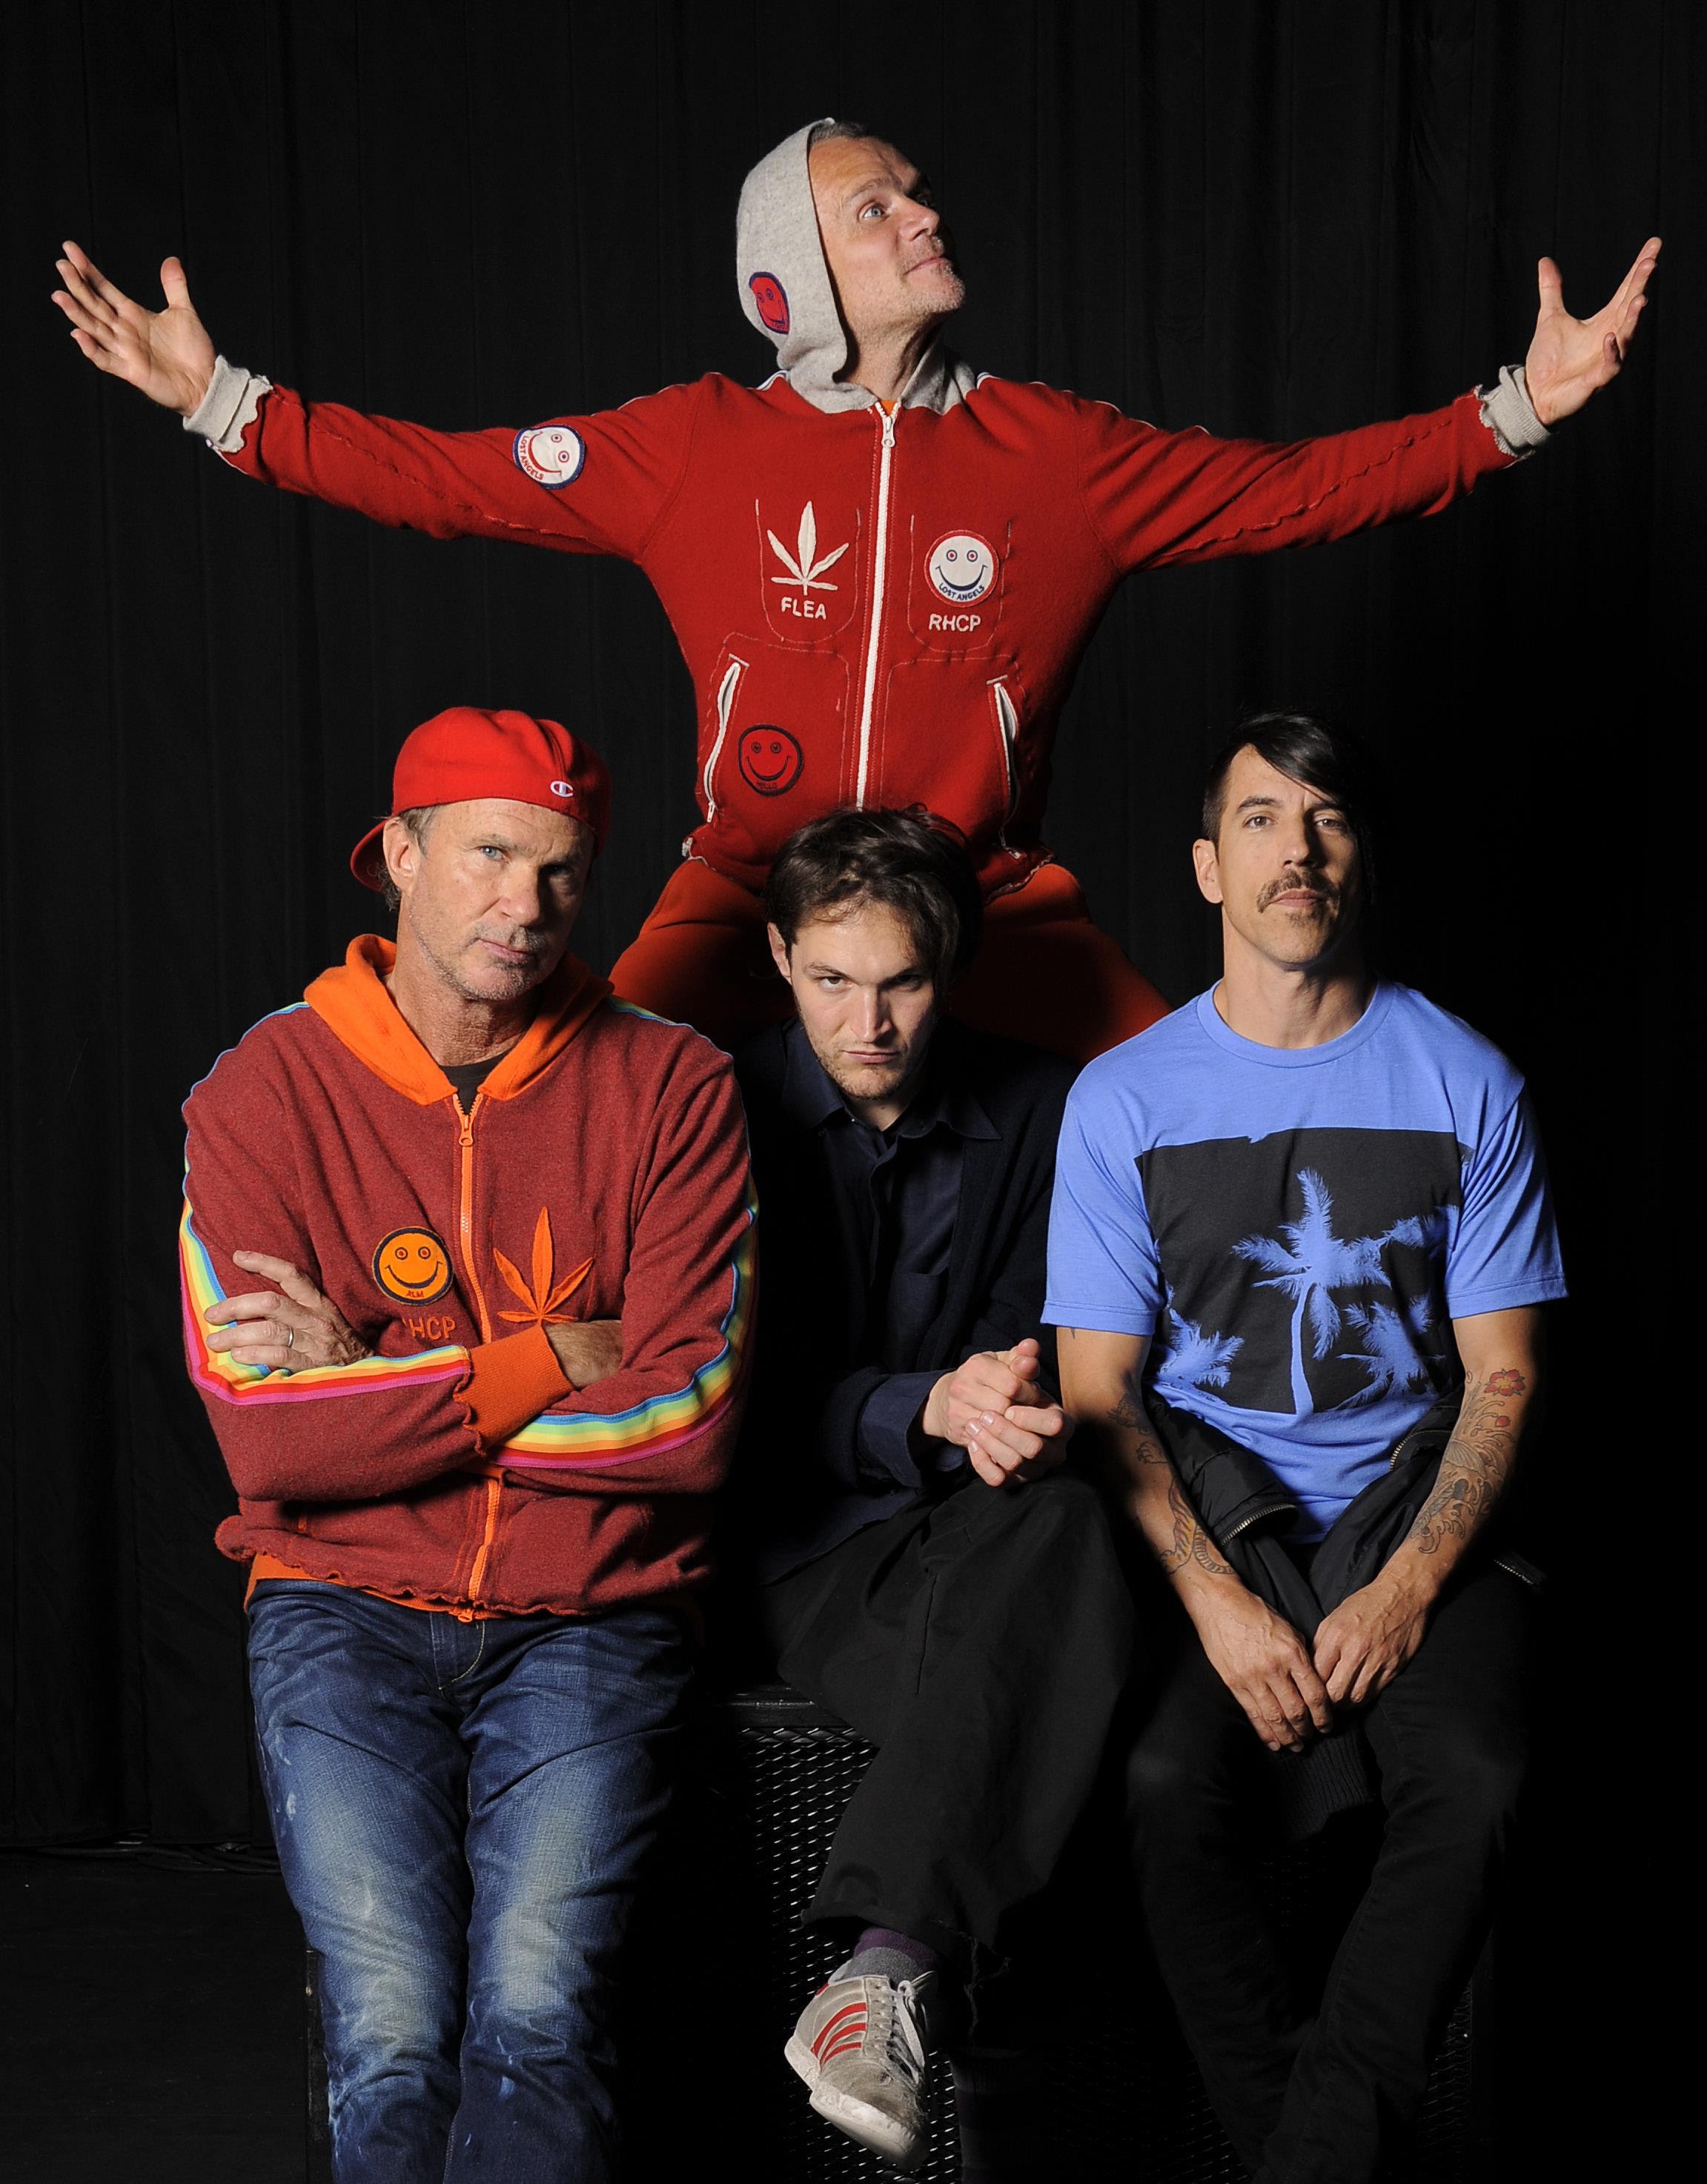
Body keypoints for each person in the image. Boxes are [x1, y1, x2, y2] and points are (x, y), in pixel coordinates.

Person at [53, 125, 1658, 1059]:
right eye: (876, 207)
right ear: (794, 278)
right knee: (578, 1101)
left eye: (917, 194)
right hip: (748, 892)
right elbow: (452, 478)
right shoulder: (695, 444)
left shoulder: (1058, 454)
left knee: (1199, 1122)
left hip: (987, 898)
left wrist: (1516, 409)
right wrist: (226, 404)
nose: (925, 215)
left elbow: (1292, 490)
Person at [178, 705, 755, 2183]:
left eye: (561, 869)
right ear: (400, 855)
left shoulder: (676, 1086)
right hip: (340, 1611)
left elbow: (689, 1423)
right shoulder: (260, 1091)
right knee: (390, 2034)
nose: (527, 902)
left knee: (539, 2021)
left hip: (591, 1614)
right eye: (491, 855)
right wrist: (554, 1358)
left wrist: (374, 1382)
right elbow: (268, 1443)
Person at [1046, 713, 1565, 2184]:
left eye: (1329, 818)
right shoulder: (1125, 1098)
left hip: (1414, 1513)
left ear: (1363, 856)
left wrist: (1404, 1591)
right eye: (1264, 819)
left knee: (1478, 1773)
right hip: (1219, 1525)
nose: (1299, 849)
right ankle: (1317, 2152)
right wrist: (1220, 1606)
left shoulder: (1468, 1081)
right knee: (1161, 1788)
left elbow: (1507, 1379)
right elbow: (1100, 1395)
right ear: (1209, 866)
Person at [731, 808, 1132, 2172]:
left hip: (990, 1524)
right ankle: (978, 2081)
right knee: (1063, 1708)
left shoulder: (1047, 1107)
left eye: (901, 981)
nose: (869, 1023)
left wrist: (1010, 1401)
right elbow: (712, 1391)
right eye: (831, 981)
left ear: (949, 963)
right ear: (779, 959)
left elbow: (1053, 1341)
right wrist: (921, 1407)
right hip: (802, 1552)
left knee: (1067, 1531)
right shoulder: (711, 1105)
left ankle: (882, 1978)